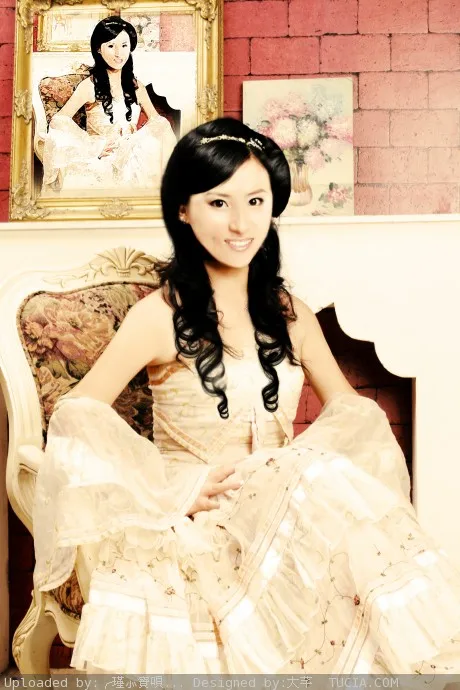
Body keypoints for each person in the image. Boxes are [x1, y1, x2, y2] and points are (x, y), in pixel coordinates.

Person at [33, 117, 460, 676]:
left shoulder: (290, 314)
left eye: (256, 201)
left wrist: (310, 467)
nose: (241, 224)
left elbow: (351, 411)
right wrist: (174, 490)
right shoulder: (159, 316)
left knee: (330, 492)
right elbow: (76, 415)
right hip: (203, 522)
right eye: (219, 203)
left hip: (284, 510)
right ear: (183, 211)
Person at [41, 16, 176, 196]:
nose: (119, 53)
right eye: (111, 46)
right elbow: (59, 120)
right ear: (99, 49)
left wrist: (139, 138)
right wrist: (93, 146)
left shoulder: (137, 86)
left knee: (158, 137)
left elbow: (157, 122)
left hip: (132, 154)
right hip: (103, 157)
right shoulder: (89, 86)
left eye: (124, 45)